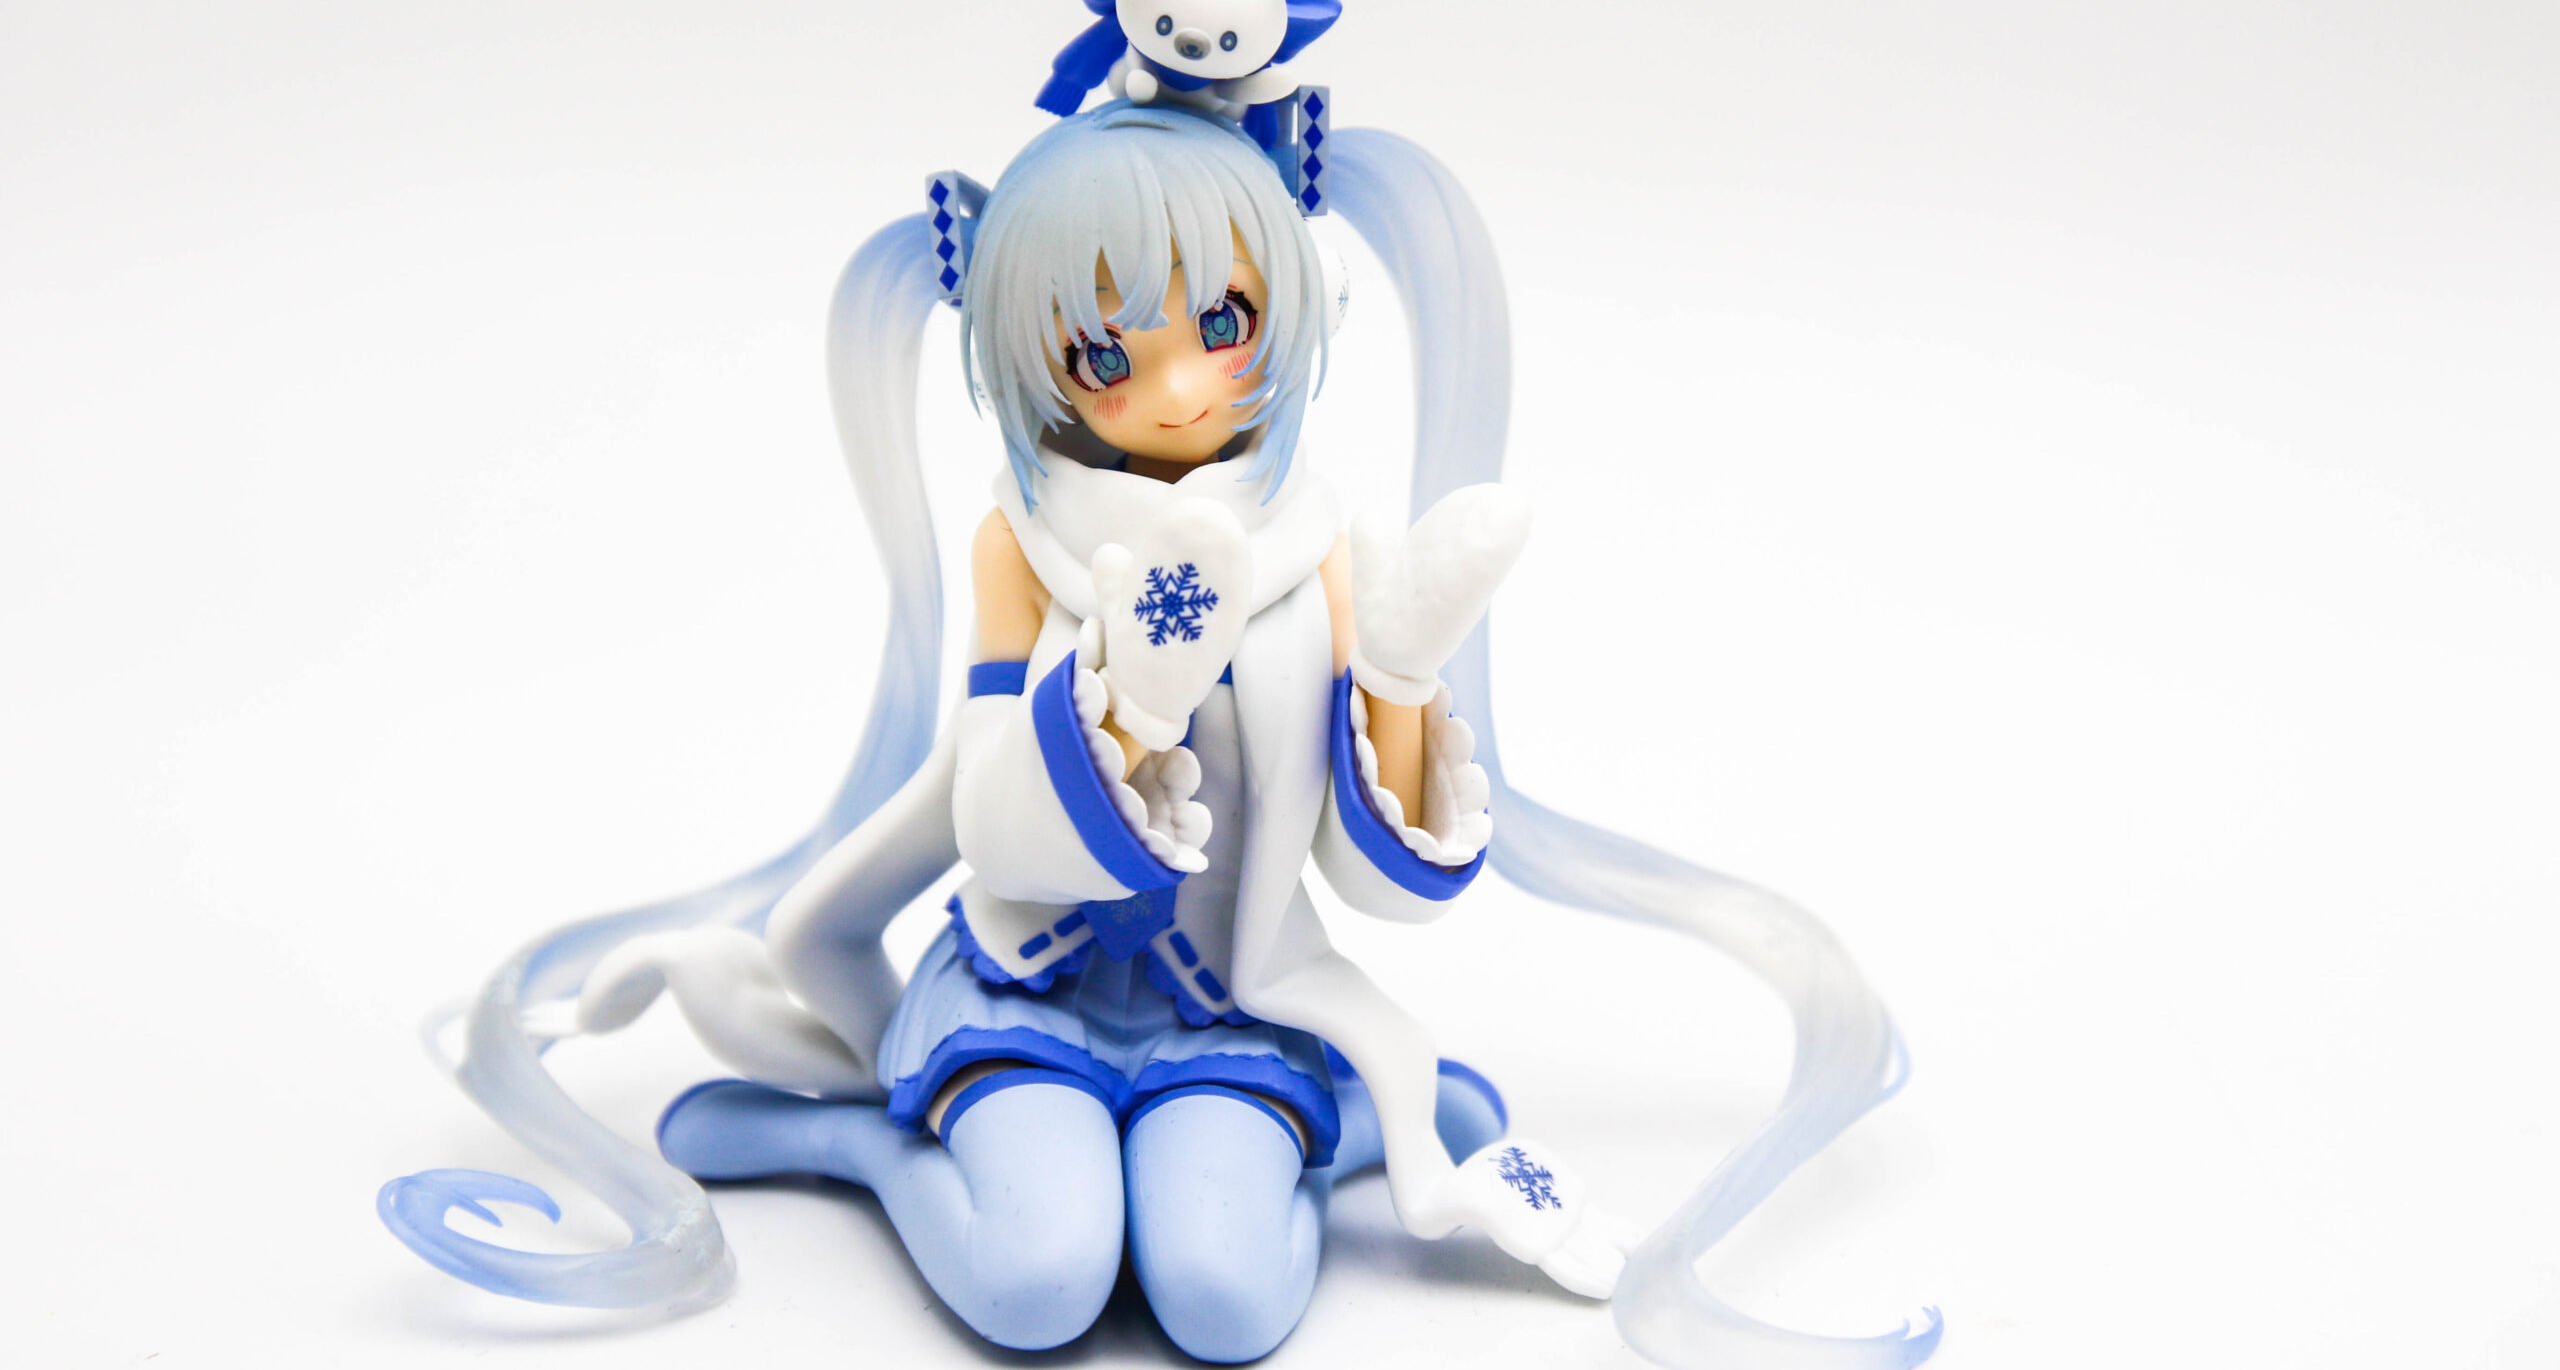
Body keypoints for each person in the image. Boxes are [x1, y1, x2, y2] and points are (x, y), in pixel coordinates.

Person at [382, 108, 1938, 1370]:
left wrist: (1397, 676)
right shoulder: (1024, 543)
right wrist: (1121, 708)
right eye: (1103, 352)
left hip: (1231, 1001)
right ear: (1028, 359)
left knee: (1224, 1305)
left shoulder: (1315, 540)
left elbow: (1365, 868)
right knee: (1040, 1285)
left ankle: (1346, 1128)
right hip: (1035, 992)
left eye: (1225, 322)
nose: (1180, 386)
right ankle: (867, 1145)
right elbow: (992, 809)